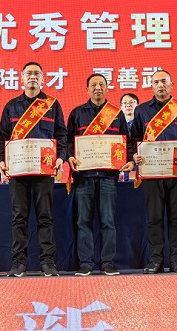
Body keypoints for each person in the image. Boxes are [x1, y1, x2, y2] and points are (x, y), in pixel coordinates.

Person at [0, 62, 67, 277]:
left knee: (45, 217)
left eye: (37, 73)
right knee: (19, 217)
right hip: (18, 171)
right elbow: (2, 138)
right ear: (22, 78)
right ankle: (19, 263)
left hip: (43, 170)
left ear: (43, 78)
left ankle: (47, 262)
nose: (33, 77)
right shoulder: (11, 106)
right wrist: (1, 160)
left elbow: (61, 135)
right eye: (29, 73)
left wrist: (60, 157)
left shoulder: (52, 105)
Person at [66, 73, 133, 276]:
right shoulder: (77, 113)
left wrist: (129, 159)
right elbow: (68, 142)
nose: (97, 88)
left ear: (107, 88)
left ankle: (107, 263)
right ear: (87, 89)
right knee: (83, 221)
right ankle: (86, 263)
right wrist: (69, 156)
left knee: (108, 221)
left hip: (108, 176)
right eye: (93, 85)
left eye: (101, 84)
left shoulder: (117, 114)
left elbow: (126, 142)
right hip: (84, 176)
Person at [131, 69, 177, 274]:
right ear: (151, 86)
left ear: (171, 85)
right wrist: (134, 154)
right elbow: (133, 140)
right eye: (156, 82)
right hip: (151, 172)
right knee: (154, 217)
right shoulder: (141, 110)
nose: (160, 85)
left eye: (164, 82)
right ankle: (155, 260)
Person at [119, 93, 139, 182]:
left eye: (132, 102)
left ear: (138, 106)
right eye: (125, 103)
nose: (128, 105)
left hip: (140, 162)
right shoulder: (115, 125)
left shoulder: (145, 124)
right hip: (122, 163)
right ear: (121, 107)